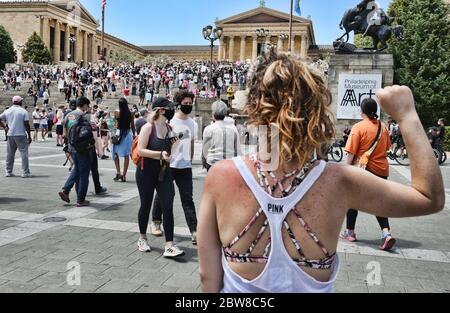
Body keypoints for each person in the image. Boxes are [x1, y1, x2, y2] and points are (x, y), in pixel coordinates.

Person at [197, 53, 445, 293]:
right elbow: (429, 198)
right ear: (316, 112)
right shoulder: (339, 181)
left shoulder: (221, 175)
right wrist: (407, 116)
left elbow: (207, 276)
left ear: (253, 107)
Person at [340, 98, 395, 250]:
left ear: (361, 110)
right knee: (379, 203)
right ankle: (386, 234)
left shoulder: (358, 127)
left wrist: (346, 170)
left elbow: (350, 153)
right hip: (382, 170)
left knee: (352, 201)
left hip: (363, 171)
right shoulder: (383, 127)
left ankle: (350, 232)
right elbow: (386, 148)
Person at [136, 97, 185, 258]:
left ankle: (169, 245)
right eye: (169, 108)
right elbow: (141, 151)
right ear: (161, 110)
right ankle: (142, 238)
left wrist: (175, 144)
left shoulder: (169, 127)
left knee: (168, 206)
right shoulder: (148, 127)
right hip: (146, 172)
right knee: (146, 204)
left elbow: (170, 151)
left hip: (164, 172)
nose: (172, 111)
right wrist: (160, 154)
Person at [152, 91, 198, 245]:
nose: (188, 106)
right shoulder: (171, 121)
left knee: (188, 199)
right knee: (163, 195)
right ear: (179, 104)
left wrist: (190, 160)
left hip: (185, 166)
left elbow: (191, 142)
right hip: (170, 164)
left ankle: (194, 230)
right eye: (185, 103)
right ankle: (156, 221)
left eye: (190, 103)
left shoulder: (192, 123)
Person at [58, 96, 94, 207]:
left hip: (71, 147)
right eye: (87, 105)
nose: (88, 107)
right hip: (82, 148)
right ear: (84, 105)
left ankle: (66, 190)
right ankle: (80, 199)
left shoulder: (68, 115)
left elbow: (65, 130)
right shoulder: (83, 116)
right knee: (84, 174)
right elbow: (88, 133)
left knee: (77, 169)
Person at [202, 100, 242, 171]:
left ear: (213, 113)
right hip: (229, 164)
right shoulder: (233, 129)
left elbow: (205, 148)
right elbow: (237, 150)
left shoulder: (208, 129)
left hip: (212, 163)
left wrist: (204, 160)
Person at [0, 96, 32, 178]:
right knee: (24, 153)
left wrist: (5, 127)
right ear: (20, 102)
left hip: (10, 134)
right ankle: (25, 172)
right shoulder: (23, 111)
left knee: (10, 154)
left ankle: (8, 171)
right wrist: (29, 135)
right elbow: (27, 124)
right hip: (21, 134)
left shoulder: (8, 111)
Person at [112, 98, 135, 182]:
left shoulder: (117, 112)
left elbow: (116, 122)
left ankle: (118, 172)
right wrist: (134, 134)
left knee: (115, 153)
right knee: (126, 155)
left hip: (118, 133)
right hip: (127, 133)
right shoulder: (131, 113)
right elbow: (132, 125)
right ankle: (124, 175)